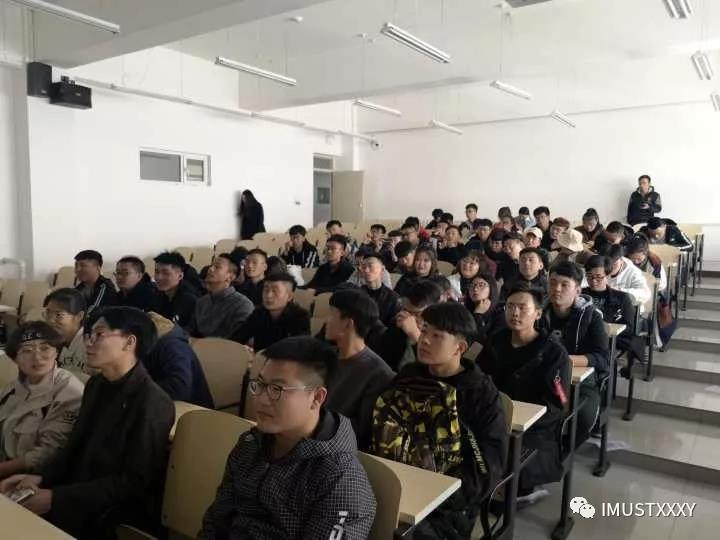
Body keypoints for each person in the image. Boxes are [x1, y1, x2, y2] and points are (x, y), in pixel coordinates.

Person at [0, 307, 175, 539]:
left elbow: (133, 483)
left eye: (99, 335)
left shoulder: (153, 403)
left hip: (108, 512)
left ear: (129, 342)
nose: (88, 343)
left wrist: (56, 498)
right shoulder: (97, 385)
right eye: (89, 335)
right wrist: (42, 478)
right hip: (74, 492)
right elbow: (74, 446)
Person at [198, 336, 376, 539]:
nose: (261, 399)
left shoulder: (340, 480)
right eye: (260, 384)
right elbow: (215, 522)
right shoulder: (250, 443)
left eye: (277, 389)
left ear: (316, 398)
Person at [371, 303, 507, 538]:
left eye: (437, 336)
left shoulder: (480, 394)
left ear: (459, 348)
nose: (424, 340)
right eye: (424, 330)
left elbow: (486, 466)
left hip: (448, 502)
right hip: (396, 480)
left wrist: (438, 496)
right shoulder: (409, 375)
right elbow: (380, 427)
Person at [478, 285, 570, 499]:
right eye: (510, 307)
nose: (515, 313)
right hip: (495, 416)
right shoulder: (496, 341)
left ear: (537, 313)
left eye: (522, 307)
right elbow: (480, 379)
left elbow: (559, 403)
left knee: (505, 460)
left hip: (533, 428)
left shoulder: (553, 353)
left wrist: (523, 421)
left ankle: (516, 493)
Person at [0, 322, 84, 480]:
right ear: (15, 358)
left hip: (32, 479)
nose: (37, 357)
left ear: (56, 351)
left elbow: (48, 453)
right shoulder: (13, 388)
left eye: (45, 348)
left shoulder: (68, 391)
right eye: (27, 350)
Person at [543, 262, 609, 447]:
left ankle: (563, 453)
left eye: (564, 285)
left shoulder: (592, 316)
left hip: (578, 382)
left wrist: (564, 361)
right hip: (544, 376)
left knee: (575, 414)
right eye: (552, 283)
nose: (557, 289)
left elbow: (602, 358)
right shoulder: (538, 312)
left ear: (578, 290)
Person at [324, 290, 395, 448]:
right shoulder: (325, 357)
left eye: (331, 314)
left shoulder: (379, 374)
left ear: (347, 323)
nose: (325, 320)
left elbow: (362, 432)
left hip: (338, 448)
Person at [583, 256, 645, 372]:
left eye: (599, 277)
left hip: (610, 339)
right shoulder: (581, 295)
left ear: (608, 276)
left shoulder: (622, 298)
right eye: (589, 277)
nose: (593, 281)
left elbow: (629, 327)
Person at [144, 312, 214, 408]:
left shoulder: (174, 347)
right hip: (164, 405)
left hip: (191, 411)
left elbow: (179, 387)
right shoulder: (154, 344)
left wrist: (139, 388)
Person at [231, 273, 311, 351]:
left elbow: (300, 349)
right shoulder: (259, 313)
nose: (269, 295)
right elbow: (238, 337)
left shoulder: (300, 316)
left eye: (275, 291)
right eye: (266, 290)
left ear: (289, 296)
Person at [375, 280, 443, 371]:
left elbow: (436, 370)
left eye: (417, 314)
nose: (410, 318)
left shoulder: (444, 333)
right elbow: (383, 362)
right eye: (407, 311)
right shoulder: (399, 323)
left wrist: (415, 335)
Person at [190, 253, 254, 338]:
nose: (210, 269)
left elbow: (238, 340)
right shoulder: (201, 302)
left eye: (217, 267)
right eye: (211, 265)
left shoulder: (242, 305)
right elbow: (190, 331)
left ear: (230, 277)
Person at [43, 288, 89, 377]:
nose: (50, 320)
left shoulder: (90, 344)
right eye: (48, 313)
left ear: (79, 316)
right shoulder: (52, 341)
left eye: (58, 315)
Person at [154, 251, 199, 328]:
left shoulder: (189, 300)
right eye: (157, 272)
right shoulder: (157, 293)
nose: (159, 277)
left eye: (166, 273)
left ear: (180, 276)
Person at [360, 252, 401, 327]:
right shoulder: (357, 294)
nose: (366, 270)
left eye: (370, 266)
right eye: (363, 267)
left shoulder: (393, 298)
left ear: (382, 269)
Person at [73, 250, 118, 315]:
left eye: (83, 265)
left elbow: (92, 313)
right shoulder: (78, 289)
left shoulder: (105, 287)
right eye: (76, 266)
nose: (77, 269)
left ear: (98, 268)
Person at [465, 273, 504, 345]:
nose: (475, 289)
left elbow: (482, 342)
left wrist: (478, 315)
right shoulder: (464, 311)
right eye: (472, 285)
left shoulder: (500, 313)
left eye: (481, 285)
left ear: (491, 288)